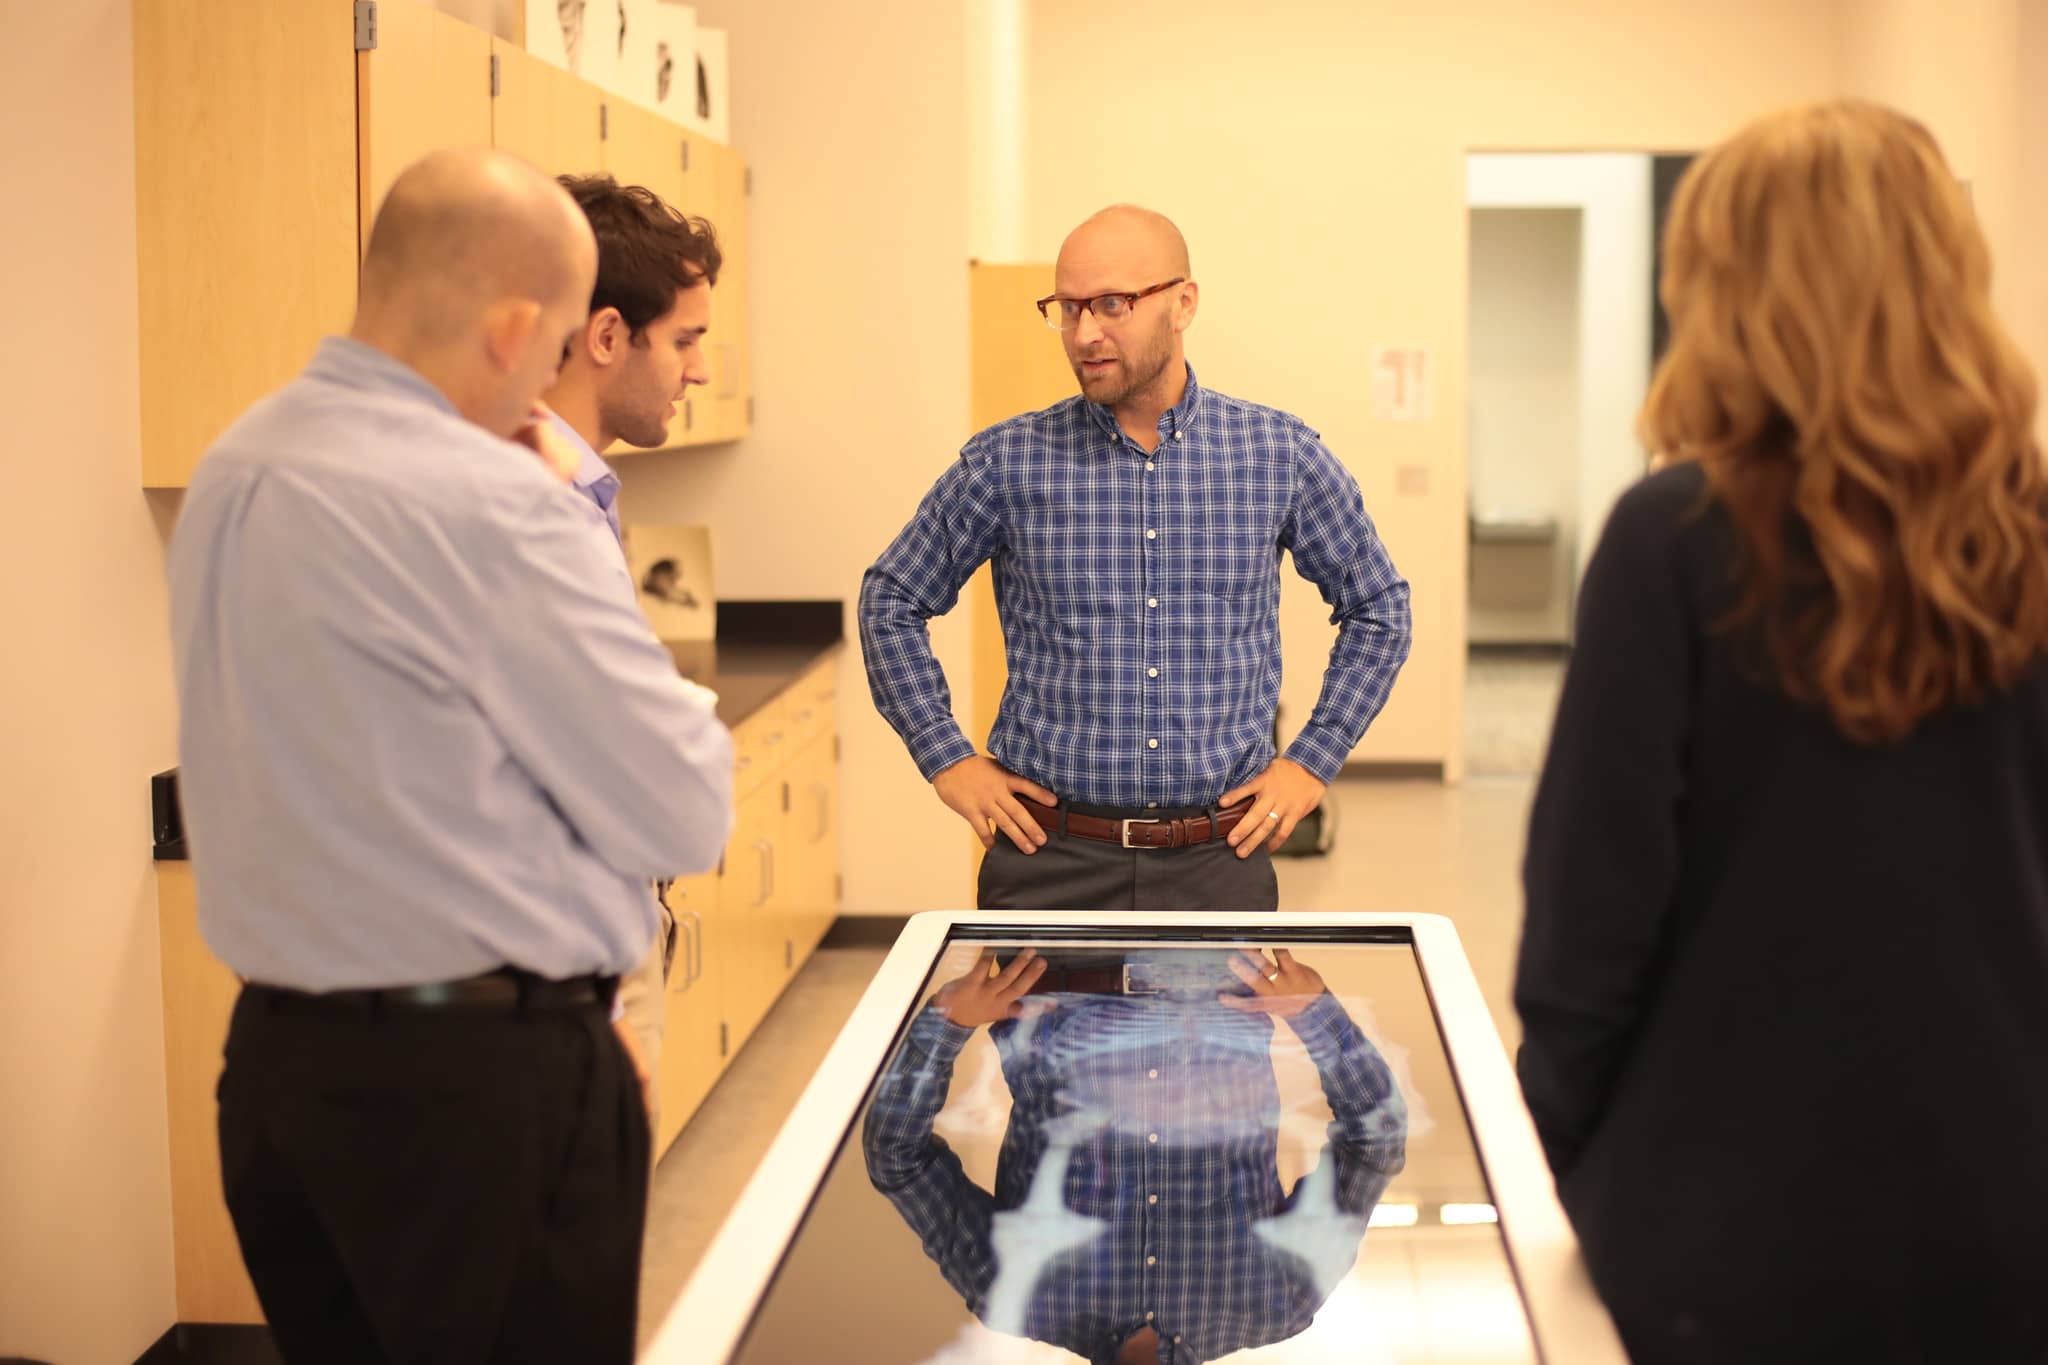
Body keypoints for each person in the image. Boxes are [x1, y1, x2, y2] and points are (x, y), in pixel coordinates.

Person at [169, 148, 734, 1365]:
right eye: (542, 362)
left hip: (278, 1073)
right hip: (475, 1098)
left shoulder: (238, 463)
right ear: (519, 326)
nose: (542, 396)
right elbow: (685, 811)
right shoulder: (493, 499)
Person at [1513, 101, 2048, 1365]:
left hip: (1720, 1224)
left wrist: (1581, 1166)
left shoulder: (1675, 537)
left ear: (1722, 286)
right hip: (2000, 1210)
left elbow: (1588, 932)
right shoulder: (2023, 538)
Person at [859, 206, 1412, 912]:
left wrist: (1313, 759)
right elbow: (891, 597)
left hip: (1218, 861)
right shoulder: (1007, 462)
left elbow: (1379, 606)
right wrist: (948, 758)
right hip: (1048, 863)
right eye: (1068, 309)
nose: (1086, 333)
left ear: (1183, 303)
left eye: (1113, 304)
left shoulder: (1279, 455)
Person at [864, 947, 1407, 1363]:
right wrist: (1316, 1017)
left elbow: (898, 1158)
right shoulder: (1276, 1302)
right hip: (1208, 949)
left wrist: (946, 1025)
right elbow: (1375, 1142)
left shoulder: (1014, 1295)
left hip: (1055, 949)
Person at [541, 170, 723, 1139]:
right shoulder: (538, 508)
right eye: (686, 340)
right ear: (608, 335)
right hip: (563, 991)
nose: (699, 371)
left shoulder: (577, 492)